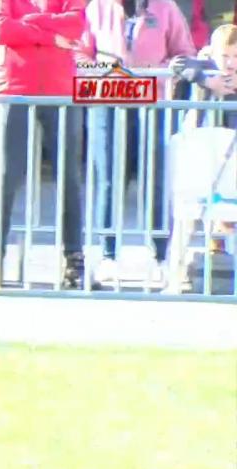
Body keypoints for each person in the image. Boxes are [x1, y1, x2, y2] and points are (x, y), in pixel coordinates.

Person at [80, 0, 195, 286]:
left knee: (154, 179)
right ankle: (107, 256)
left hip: (153, 104)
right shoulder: (97, 8)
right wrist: (100, 70)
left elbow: (185, 54)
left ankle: (159, 258)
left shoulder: (165, 7)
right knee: (108, 179)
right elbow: (78, 54)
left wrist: (159, 72)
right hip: (106, 101)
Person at [0, 0, 90, 289]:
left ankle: (74, 259)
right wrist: (50, 36)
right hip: (13, 87)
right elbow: (1, 31)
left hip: (60, 88)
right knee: (5, 176)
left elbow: (76, 24)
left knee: (69, 177)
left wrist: (30, 23)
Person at [170, 23, 237, 257]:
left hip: (231, 158)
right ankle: (176, 275)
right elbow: (177, 64)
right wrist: (207, 81)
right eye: (224, 56)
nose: (229, 63)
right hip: (201, 154)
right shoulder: (206, 68)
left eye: (235, 56)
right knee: (187, 216)